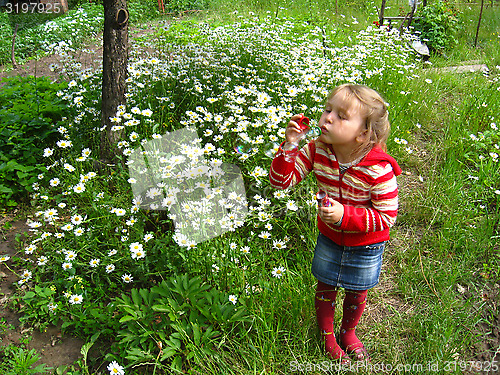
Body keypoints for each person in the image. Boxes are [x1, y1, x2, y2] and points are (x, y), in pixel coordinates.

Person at [269, 83, 402, 364]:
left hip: (366, 244)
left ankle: (349, 332)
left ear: (363, 133)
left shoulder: (378, 169)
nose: (327, 118)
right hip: (330, 237)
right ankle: (328, 335)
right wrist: (290, 145)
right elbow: (282, 182)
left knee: (357, 290)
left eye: (341, 116)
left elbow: (387, 216)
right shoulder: (317, 150)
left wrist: (346, 216)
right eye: (328, 109)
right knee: (326, 285)